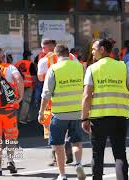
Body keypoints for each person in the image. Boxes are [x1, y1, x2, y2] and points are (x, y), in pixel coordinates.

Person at [81, 39, 129, 180]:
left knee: (97, 154)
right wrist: (125, 100)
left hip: (98, 118)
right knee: (120, 154)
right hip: (119, 117)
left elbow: (87, 96)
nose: (92, 52)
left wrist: (84, 118)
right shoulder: (122, 66)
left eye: (94, 49)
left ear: (102, 49)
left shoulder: (92, 69)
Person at [38, 44, 86, 180]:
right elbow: (86, 87)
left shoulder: (53, 69)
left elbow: (46, 93)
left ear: (56, 55)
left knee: (58, 145)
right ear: (68, 54)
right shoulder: (79, 67)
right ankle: (78, 164)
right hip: (77, 111)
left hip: (59, 113)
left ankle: (62, 174)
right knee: (76, 142)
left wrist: (41, 112)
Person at [0, 47, 24, 176]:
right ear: (4, 57)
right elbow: (19, 79)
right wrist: (19, 97)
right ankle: (11, 161)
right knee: (11, 137)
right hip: (9, 111)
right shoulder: (10, 68)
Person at [15, 50, 37, 124]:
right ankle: (22, 118)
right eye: (30, 56)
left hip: (18, 85)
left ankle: (16, 118)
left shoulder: (17, 64)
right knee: (26, 102)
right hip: (28, 86)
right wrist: (34, 84)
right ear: (28, 56)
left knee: (17, 102)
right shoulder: (30, 64)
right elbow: (34, 76)